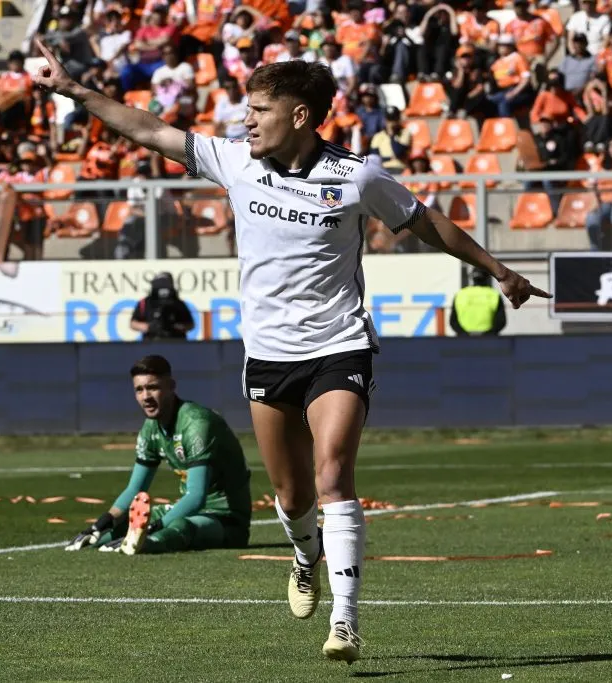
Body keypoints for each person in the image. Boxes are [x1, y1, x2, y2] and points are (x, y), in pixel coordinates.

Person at [32, 40, 547, 664]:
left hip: (340, 345)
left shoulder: (358, 176)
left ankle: (347, 619)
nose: (245, 119)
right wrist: (77, 91)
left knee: (334, 474)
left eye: (258, 109)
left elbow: (425, 220)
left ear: (300, 116)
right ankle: (305, 556)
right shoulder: (234, 161)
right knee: (293, 495)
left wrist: (498, 270)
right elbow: (148, 129)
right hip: (270, 357)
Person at [65, 355, 252, 555]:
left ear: (171, 386)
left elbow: (196, 497)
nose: (146, 396)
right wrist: (101, 525)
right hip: (191, 512)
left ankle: (147, 545)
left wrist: (153, 528)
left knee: (179, 525)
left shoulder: (196, 423)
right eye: (139, 389)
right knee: (121, 526)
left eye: (152, 387)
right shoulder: (150, 428)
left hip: (225, 521)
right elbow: (135, 489)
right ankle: (111, 539)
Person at [130, 272, 195, 338]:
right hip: (151, 343)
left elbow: (190, 324)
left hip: (175, 342)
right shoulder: (144, 303)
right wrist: (149, 327)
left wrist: (175, 327)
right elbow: (133, 323)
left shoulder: (178, 303)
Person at [450, 269, 506, 336]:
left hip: (464, 339)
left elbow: (453, 321)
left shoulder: (460, 294)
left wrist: (463, 334)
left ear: (472, 278)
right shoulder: (494, 295)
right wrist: (489, 334)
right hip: (488, 340)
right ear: (487, 277)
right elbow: (501, 321)